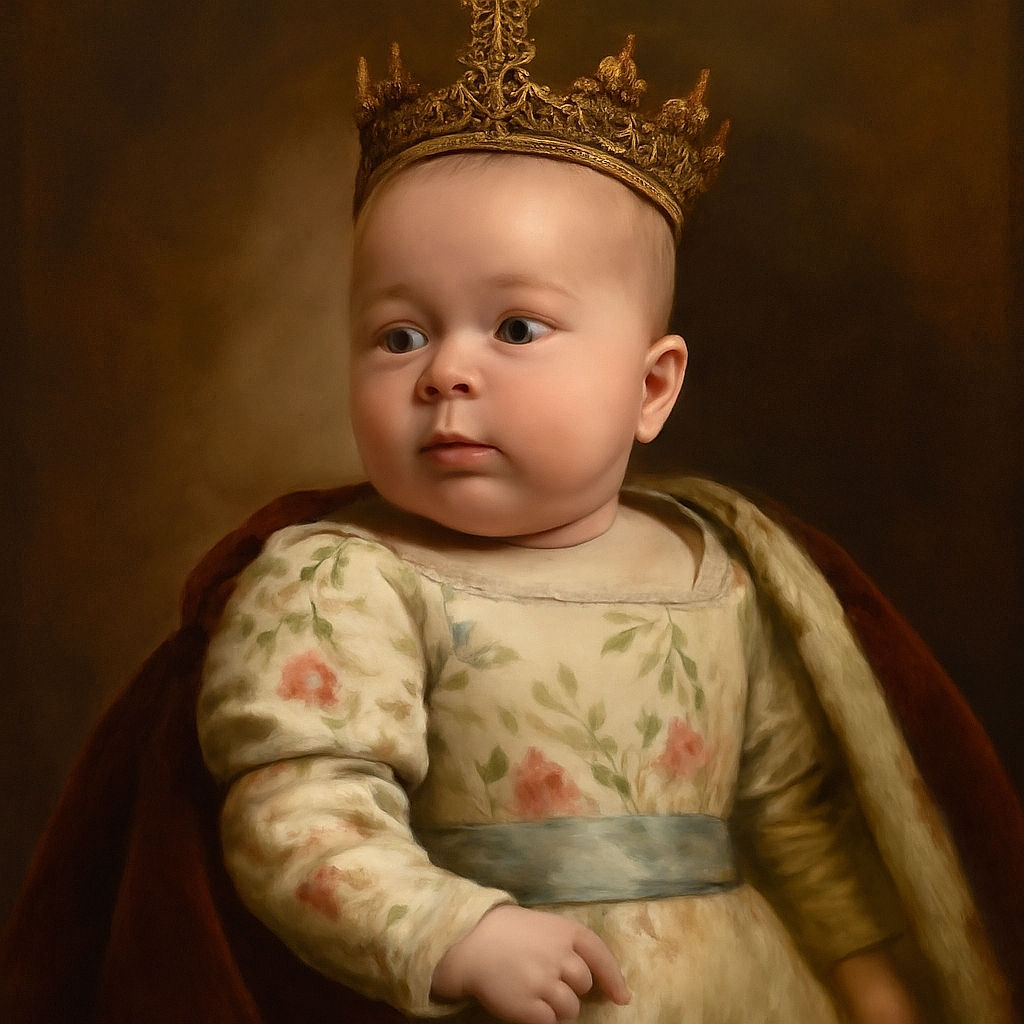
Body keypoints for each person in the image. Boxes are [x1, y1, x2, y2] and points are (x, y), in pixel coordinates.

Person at [194, 3, 1013, 1022]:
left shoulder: (720, 571)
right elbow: (296, 814)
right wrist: (453, 931)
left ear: (651, 388)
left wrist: (870, 987)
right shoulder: (341, 581)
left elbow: (799, 820)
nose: (446, 371)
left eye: (516, 326)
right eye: (399, 335)